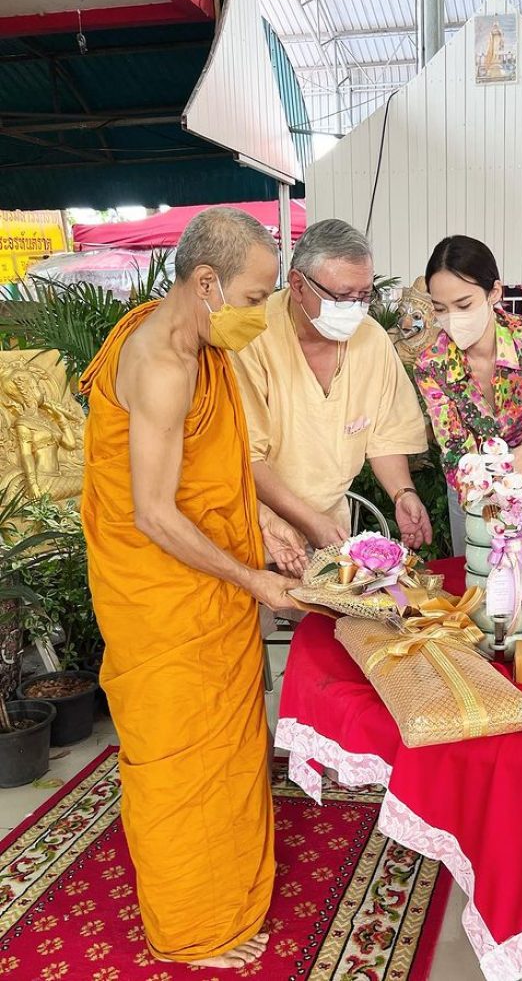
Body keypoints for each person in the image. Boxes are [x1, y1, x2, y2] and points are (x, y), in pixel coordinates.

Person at [80, 208, 307, 970]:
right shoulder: (163, 361)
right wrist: (250, 577)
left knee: (230, 746)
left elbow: (209, 467)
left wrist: (266, 527)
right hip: (163, 595)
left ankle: (227, 885)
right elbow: (150, 511)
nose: (259, 317)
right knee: (184, 755)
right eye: (253, 298)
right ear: (205, 284)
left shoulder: (195, 336)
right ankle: (192, 927)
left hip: (204, 576)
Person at [231, 218, 432, 552]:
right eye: (341, 297)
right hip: (258, 528)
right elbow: (245, 455)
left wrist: (403, 493)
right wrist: (309, 522)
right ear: (297, 284)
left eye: (364, 296)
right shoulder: (252, 336)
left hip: (330, 528)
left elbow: (385, 435)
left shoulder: (372, 340)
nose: (354, 309)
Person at [414, 235, 522, 555]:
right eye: (440, 308)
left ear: (494, 292)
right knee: (480, 574)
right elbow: (455, 447)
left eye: (464, 304)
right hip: (472, 489)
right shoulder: (432, 364)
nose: (452, 318)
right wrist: (481, 494)